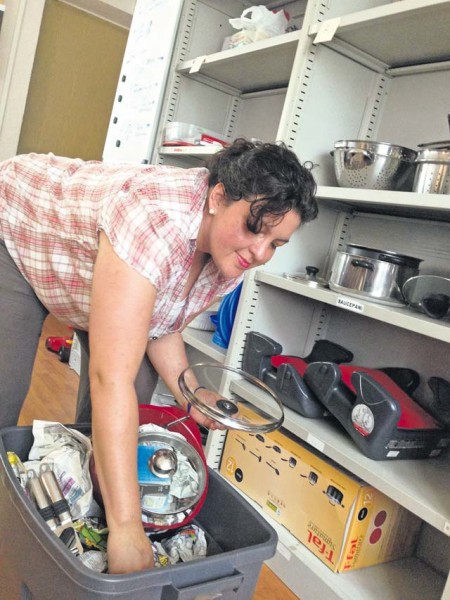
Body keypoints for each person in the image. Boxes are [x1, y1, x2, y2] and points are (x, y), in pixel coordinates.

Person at [0, 137, 317, 574]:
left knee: (130, 400)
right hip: (17, 228)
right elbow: (109, 377)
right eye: (255, 228)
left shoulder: (230, 251)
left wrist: (191, 394)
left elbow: (161, 323)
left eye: (276, 244)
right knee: (5, 389)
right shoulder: (152, 221)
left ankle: (86, 506)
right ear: (217, 197)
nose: (260, 253)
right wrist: (128, 529)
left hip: (86, 271)